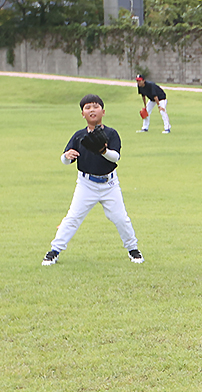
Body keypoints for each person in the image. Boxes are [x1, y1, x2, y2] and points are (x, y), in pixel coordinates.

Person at [42, 94, 143, 266]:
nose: (92, 110)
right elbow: (65, 160)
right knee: (73, 218)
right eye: (87, 107)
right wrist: (66, 156)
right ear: (83, 114)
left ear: (103, 111)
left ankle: (133, 249)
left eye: (96, 106)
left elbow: (115, 157)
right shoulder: (79, 136)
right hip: (86, 184)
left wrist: (103, 151)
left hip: (109, 184)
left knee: (121, 218)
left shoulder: (111, 134)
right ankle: (54, 251)